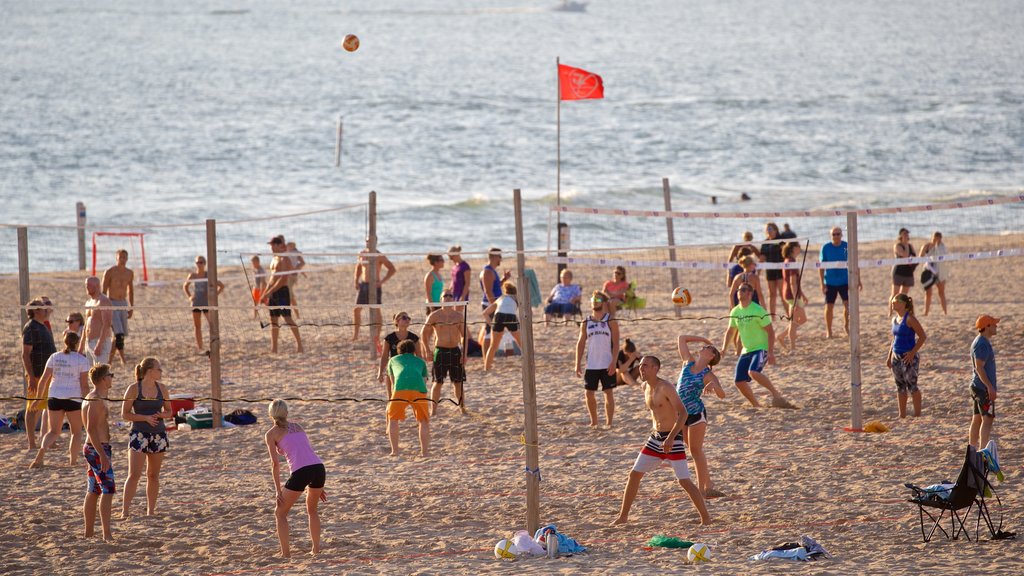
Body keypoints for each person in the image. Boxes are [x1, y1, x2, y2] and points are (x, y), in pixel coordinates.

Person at [612, 355, 710, 526]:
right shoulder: (645, 387)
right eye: (641, 365)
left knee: (684, 481)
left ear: (656, 368)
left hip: (672, 438)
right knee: (634, 475)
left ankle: (706, 519)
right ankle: (623, 517)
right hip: (655, 438)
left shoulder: (666, 387)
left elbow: (683, 413)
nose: (641, 369)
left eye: (646, 366)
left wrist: (672, 437)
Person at [265, 399, 327, 558]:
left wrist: (278, 490)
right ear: (286, 412)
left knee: (280, 513)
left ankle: (285, 554)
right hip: (318, 468)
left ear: (271, 415)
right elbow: (307, 451)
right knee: (312, 511)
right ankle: (316, 550)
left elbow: (275, 464)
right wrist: (318, 486)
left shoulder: (271, 434)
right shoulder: (298, 426)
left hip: (302, 471)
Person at [722, 283, 793, 408]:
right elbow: (730, 331)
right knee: (739, 382)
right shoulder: (735, 311)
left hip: (761, 348)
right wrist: (724, 349)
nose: (739, 292)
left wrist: (770, 352)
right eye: (738, 290)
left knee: (753, 372)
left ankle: (776, 395)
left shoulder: (758, 310)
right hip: (746, 350)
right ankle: (756, 405)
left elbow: (771, 332)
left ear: (750, 293)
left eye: (743, 290)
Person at [120, 357, 173, 519]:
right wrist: (145, 418)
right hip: (139, 434)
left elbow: (170, 411)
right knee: (134, 474)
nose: (161, 371)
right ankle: (125, 511)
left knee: (153, 475)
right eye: (159, 368)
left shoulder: (162, 388)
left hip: (158, 435)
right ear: (150, 371)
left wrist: (162, 414)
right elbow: (125, 414)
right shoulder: (134, 389)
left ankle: (150, 510)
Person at [29, 332, 91, 468]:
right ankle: (73, 461)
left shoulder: (55, 357)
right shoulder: (82, 360)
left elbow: (44, 379)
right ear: (77, 343)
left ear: (65, 342)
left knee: (53, 431)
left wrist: (38, 399)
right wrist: (88, 401)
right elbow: (84, 385)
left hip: (55, 396)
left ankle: (41, 452)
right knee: (76, 432)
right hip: (73, 398)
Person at [676, 335, 726, 498]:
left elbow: (722, 394)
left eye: (708, 349)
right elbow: (682, 338)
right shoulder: (687, 361)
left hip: (696, 413)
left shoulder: (707, 374)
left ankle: (701, 489)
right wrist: (704, 339)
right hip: (681, 414)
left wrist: (713, 385)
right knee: (694, 450)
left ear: (711, 357)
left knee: (696, 450)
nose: (704, 348)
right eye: (705, 347)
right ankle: (708, 483)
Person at [574, 291, 620, 428]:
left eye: (598, 299)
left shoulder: (610, 320)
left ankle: (609, 423)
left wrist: (614, 362)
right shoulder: (586, 321)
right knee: (589, 393)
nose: (595, 302)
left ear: (604, 302)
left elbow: (616, 343)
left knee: (608, 392)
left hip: (607, 363)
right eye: (593, 299)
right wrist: (577, 363)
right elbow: (581, 343)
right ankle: (594, 422)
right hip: (591, 364)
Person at [82, 364, 115, 542]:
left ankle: (89, 532)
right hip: (97, 448)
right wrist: (102, 454)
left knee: (93, 489)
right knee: (107, 490)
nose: (112, 378)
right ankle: (106, 534)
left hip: (95, 448)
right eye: (111, 375)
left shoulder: (95, 397)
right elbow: (91, 429)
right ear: (103, 379)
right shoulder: (94, 399)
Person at [421, 291, 467, 415]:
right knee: (437, 382)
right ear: (441, 300)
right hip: (440, 351)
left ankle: (462, 408)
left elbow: (465, 336)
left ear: (454, 299)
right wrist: (427, 349)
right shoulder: (435, 315)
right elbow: (423, 333)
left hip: (455, 351)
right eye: (445, 296)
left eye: (450, 295)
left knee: (458, 382)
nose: (447, 298)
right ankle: (433, 411)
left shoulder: (458, 316)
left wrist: (464, 353)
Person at [386, 340, 431, 456]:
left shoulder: (392, 360)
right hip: (419, 389)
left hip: (400, 388)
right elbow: (425, 380)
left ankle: (394, 451)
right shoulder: (421, 361)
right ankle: (424, 452)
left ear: (398, 351)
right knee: (423, 421)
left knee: (393, 419)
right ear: (414, 351)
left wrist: (392, 397)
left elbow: (393, 381)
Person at [22, 298, 57, 450]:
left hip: (47, 374)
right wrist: (30, 377)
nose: (46, 310)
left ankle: (50, 440)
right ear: (36, 311)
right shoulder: (31, 327)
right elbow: (25, 355)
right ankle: (31, 443)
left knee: (49, 407)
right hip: (37, 375)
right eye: (43, 308)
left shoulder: (43, 325)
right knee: (33, 408)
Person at [377, 312, 420, 431]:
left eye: (408, 318)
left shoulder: (414, 337)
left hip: (410, 373)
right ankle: (388, 426)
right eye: (404, 318)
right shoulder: (390, 338)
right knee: (391, 398)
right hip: (393, 372)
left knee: (415, 398)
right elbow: (385, 356)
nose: (407, 320)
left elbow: (419, 357)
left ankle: (420, 422)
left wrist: (421, 373)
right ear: (396, 321)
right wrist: (380, 372)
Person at [887, 294, 927, 418]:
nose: (893, 303)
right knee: (900, 386)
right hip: (896, 356)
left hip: (908, 356)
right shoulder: (894, 319)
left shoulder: (910, 319)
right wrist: (889, 356)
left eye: (896, 301)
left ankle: (917, 414)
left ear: (903, 303)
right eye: (892, 301)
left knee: (912, 385)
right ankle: (902, 415)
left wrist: (912, 352)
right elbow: (894, 339)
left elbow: (922, 336)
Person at [262, 235, 303, 353]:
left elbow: (283, 279)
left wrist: (269, 291)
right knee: (273, 320)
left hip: (282, 292)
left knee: (288, 318)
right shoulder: (274, 259)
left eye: (273, 245)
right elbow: (272, 278)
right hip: (273, 292)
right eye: (271, 245)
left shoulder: (284, 259)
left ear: (280, 245)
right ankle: (274, 348)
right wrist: (265, 293)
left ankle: (300, 345)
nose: (272, 247)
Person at [818, 227, 860, 338]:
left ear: (842, 235)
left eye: (838, 234)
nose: (836, 236)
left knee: (848, 306)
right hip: (830, 282)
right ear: (831, 236)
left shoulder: (847, 246)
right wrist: (822, 284)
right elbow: (821, 267)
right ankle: (829, 331)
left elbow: (855, 263)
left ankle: (846, 326)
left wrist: (858, 280)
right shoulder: (826, 248)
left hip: (845, 281)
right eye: (834, 234)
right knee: (829, 306)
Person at [353, 246, 396, 347]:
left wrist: (382, 281)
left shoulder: (379, 255)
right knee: (356, 309)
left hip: (375, 284)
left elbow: (392, 269)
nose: (368, 243)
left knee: (376, 311)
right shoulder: (362, 253)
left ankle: (376, 337)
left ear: (375, 241)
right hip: (364, 284)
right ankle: (355, 335)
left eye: (370, 241)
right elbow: (358, 267)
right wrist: (356, 280)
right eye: (367, 241)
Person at [969, 316, 999, 449]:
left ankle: (972, 449)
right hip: (982, 388)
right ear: (987, 326)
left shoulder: (981, 341)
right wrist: (989, 387)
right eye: (994, 324)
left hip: (978, 386)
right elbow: (979, 367)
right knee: (987, 420)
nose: (996, 327)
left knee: (977, 418)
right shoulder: (981, 344)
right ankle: (982, 452)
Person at [183, 256, 224, 353]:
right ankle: (200, 347)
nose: (199, 264)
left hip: (206, 303)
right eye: (197, 262)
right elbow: (185, 286)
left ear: (204, 264)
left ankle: (215, 344)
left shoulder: (208, 275)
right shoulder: (192, 275)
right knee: (197, 326)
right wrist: (189, 296)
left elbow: (221, 286)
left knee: (212, 324)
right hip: (196, 302)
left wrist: (214, 296)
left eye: (201, 262)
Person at [101, 249, 134, 365]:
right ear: (116, 258)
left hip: (123, 303)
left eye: (125, 257)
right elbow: (103, 291)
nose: (123, 259)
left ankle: (109, 360)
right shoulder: (110, 271)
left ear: (127, 258)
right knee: (118, 333)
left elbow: (131, 291)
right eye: (120, 257)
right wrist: (104, 307)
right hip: (112, 303)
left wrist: (131, 307)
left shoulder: (129, 273)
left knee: (120, 334)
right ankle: (123, 359)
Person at [482, 282, 522, 371]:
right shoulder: (516, 298)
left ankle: (487, 368)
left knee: (493, 346)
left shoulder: (500, 298)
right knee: (522, 344)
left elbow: (485, 313)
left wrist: (491, 325)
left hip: (498, 316)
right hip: (511, 316)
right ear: (515, 292)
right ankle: (528, 364)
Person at [478, 247, 511, 349]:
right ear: (494, 256)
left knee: (491, 330)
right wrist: (496, 307)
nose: (501, 259)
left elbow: (495, 287)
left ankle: (488, 357)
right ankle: (486, 358)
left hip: (493, 304)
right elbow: (488, 292)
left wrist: (504, 279)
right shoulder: (487, 272)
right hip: (490, 304)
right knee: (488, 332)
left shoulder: (492, 271)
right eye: (500, 256)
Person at [779, 242, 809, 351]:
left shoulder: (789, 260)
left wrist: (803, 295)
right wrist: (796, 300)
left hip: (791, 293)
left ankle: (782, 336)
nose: (800, 248)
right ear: (793, 248)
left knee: (801, 320)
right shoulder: (790, 262)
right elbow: (792, 283)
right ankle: (792, 347)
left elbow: (795, 282)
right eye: (798, 246)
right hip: (791, 295)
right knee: (794, 321)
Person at [83, 276, 113, 364]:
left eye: (89, 285)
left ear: (97, 286)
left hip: (100, 341)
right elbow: (86, 325)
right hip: (88, 342)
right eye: (86, 285)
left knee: (100, 372)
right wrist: (82, 345)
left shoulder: (103, 301)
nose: (87, 287)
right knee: (89, 372)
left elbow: (107, 324)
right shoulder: (89, 302)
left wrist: (99, 344)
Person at [919, 231, 949, 315]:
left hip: (939, 271)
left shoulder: (942, 247)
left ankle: (945, 312)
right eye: (935, 238)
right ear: (932, 237)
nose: (937, 240)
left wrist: (937, 246)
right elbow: (920, 257)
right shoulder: (927, 246)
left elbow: (944, 257)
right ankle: (926, 312)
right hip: (929, 270)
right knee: (928, 292)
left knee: (941, 292)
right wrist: (924, 249)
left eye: (939, 238)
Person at [759, 222, 785, 319]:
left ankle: (789, 315)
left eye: (770, 229)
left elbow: (786, 253)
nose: (768, 231)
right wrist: (758, 272)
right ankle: (772, 317)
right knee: (772, 294)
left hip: (780, 270)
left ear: (775, 230)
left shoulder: (781, 241)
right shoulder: (765, 243)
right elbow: (762, 258)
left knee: (783, 294)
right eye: (767, 230)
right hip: (770, 270)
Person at [891, 228, 916, 298]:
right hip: (898, 272)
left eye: (907, 234)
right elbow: (905, 255)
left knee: (903, 296)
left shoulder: (910, 246)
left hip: (908, 272)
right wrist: (905, 244)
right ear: (900, 236)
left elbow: (914, 258)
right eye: (904, 234)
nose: (906, 235)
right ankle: (891, 309)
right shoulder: (897, 246)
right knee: (895, 295)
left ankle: (900, 309)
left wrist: (907, 244)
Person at [251, 255, 267, 319]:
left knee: (267, 303)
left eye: (254, 262)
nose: (253, 264)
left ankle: (275, 314)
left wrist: (261, 290)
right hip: (255, 288)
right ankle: (255, 317)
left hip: (261, 289)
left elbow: (262, 281)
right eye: (252, 263)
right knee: (255, 303)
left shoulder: (261, 270)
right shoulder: (255, 269)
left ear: (258, 262)